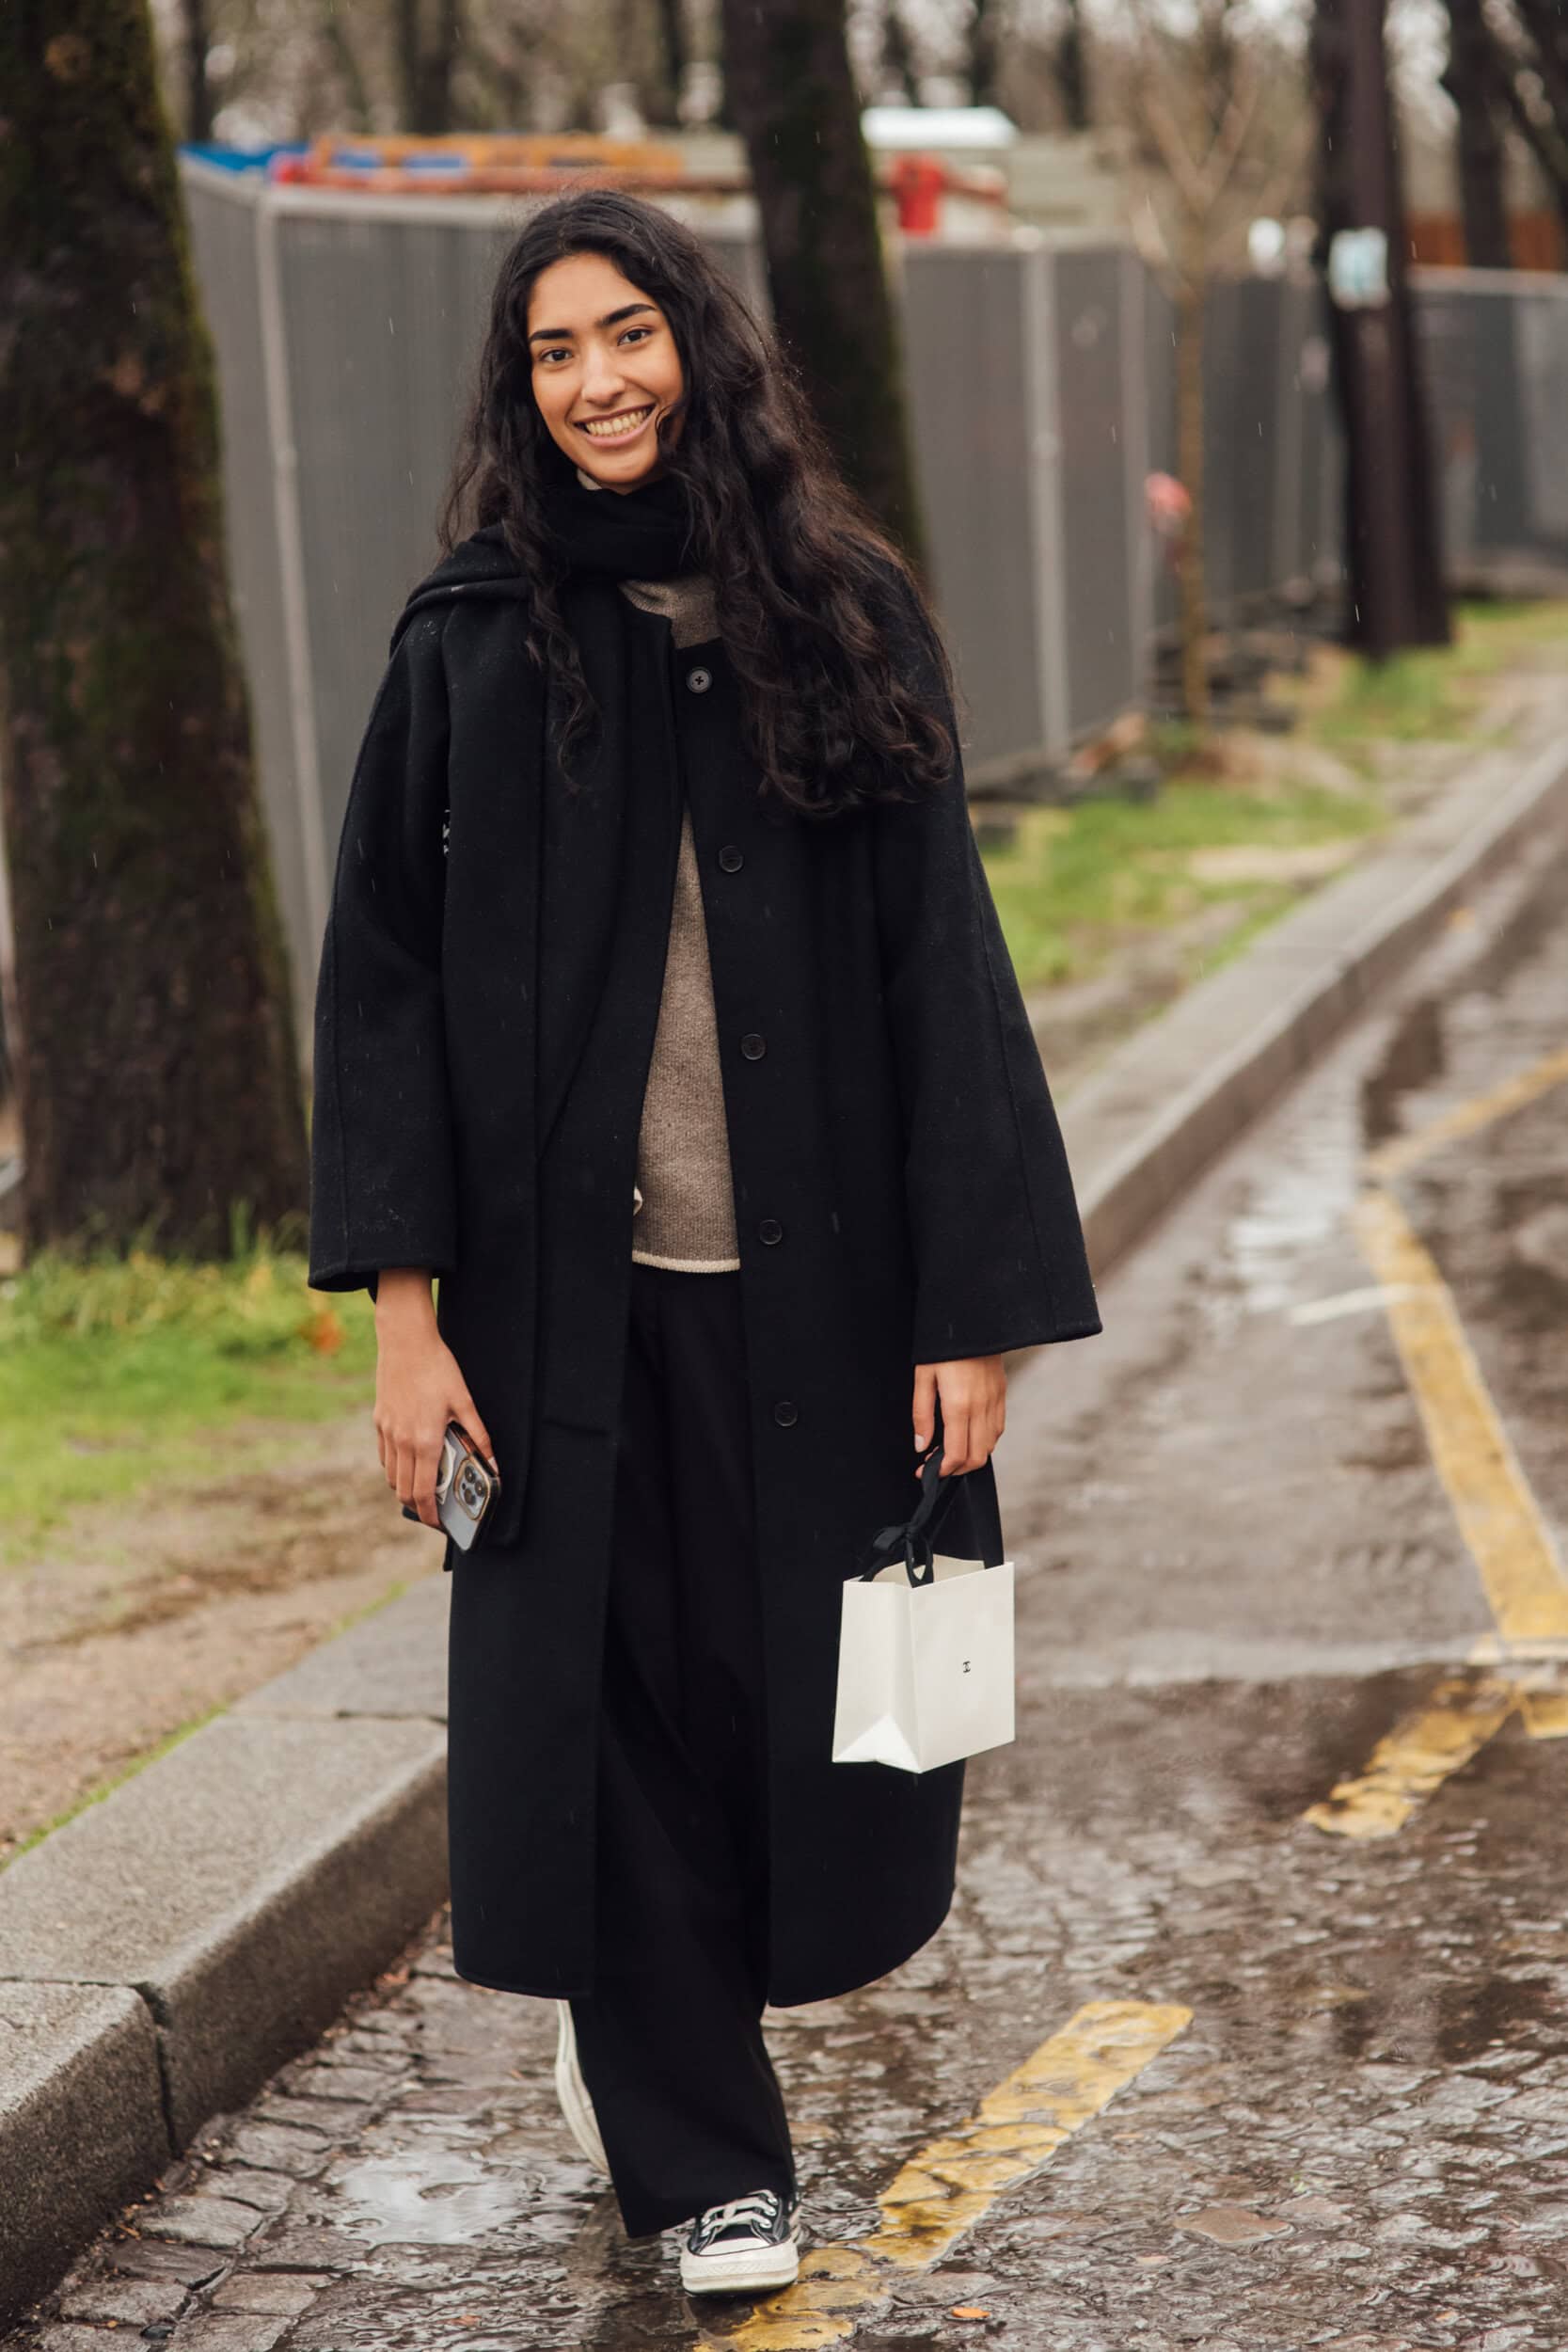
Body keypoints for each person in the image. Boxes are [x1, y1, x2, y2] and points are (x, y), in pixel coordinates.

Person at [308, 187, 1101, 2299]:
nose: (596, 384)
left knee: (776, 1710)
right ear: (521, 388)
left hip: (822, 1300)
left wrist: (976, 1306)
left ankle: (641, 2028)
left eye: (628, 336)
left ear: (700, 345)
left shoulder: (842, 620)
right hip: (560, 1321)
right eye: (554, 352)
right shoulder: (472, 643)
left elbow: (949, 965)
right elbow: (377, 986)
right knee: (611, 1721)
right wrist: (404, 1321)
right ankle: (701, 2154)